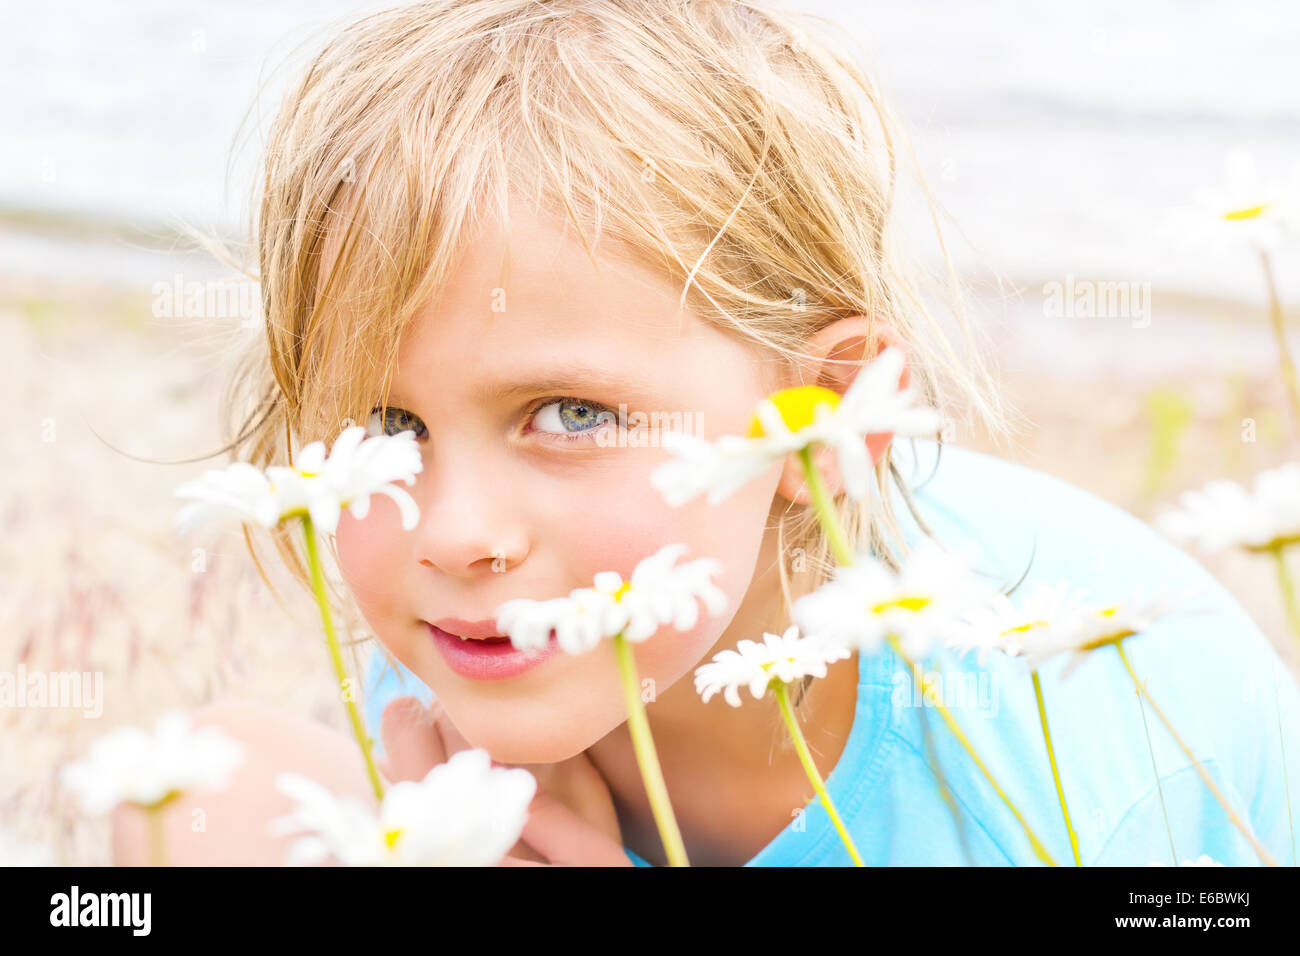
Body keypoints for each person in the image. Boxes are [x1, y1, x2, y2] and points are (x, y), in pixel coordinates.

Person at [113, 0, 1298, 867]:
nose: (453, 531)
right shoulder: (496, 630)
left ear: (819, 423)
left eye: (570, 414)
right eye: (387, 425)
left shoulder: (1036, 776)